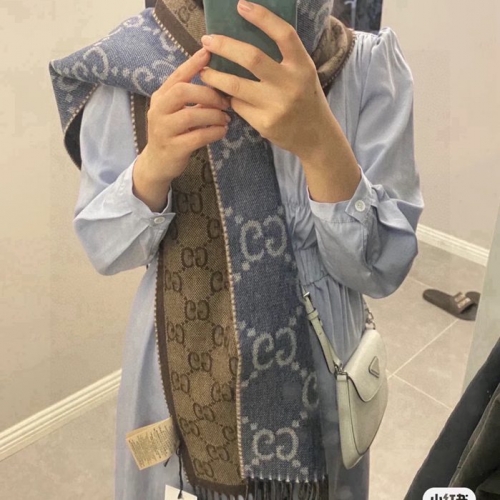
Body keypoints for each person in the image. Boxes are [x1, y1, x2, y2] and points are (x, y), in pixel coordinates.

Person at [53, 0, 424, 498]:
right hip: (178, 374)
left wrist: (320, 144)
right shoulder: (130, 66)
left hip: (323, 372)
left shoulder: (366, 65)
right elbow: (105, 247)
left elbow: (381, 268)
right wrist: (154, 165)